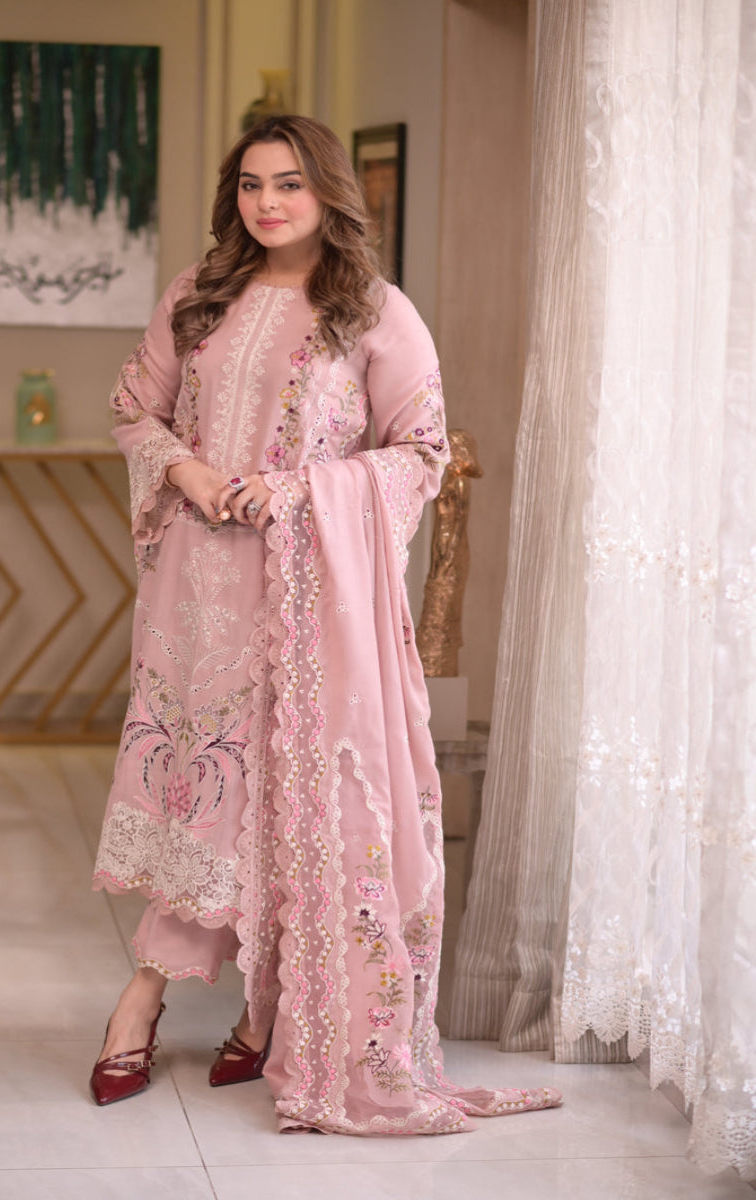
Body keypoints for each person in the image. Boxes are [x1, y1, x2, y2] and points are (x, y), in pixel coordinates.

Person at [89, 115, 561, 1134]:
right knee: (202, 795)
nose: (268, 203)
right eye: (253, 185)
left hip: (312, 604)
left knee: (287, 796)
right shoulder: (198, 294)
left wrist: (301, 491)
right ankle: (201, 999)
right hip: (198, 596)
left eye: (290, 184)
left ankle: (205, 1006)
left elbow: (421, 453)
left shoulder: (375, 313)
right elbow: (136, 411)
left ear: (329, 193)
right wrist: (192, 469)